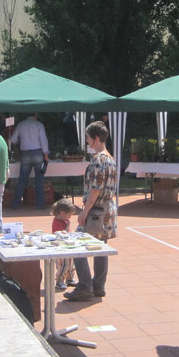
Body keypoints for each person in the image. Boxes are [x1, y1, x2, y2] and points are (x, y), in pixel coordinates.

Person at [64, 121, 118, 301]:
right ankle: (99, 285)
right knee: (101, 247)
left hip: (96, 210)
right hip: (108, 208)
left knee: (78, 246)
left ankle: (85, 285)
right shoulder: (111, 158)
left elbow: (95, 188)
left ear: (95, 139)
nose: (87, 141)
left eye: (88, 138)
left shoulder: (97, 160)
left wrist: (84, 211)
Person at [10, 112, 49, 209]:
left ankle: (16, 203)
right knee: (39, 180)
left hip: (25, 154)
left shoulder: (21, 124)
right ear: (35, 115)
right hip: (38, 153)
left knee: (22, 179)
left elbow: (13, 140)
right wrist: (46, 153)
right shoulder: (39, 125)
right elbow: (43, 141)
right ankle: (40, 204)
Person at [51, 198, 79, 291]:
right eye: (69, 215)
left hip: (68, 246)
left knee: (71, 264)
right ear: (62, 213)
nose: (70, 218)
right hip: (61, 248)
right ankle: (59, 281)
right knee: (63, 265)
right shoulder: (57, 222)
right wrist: (67, 226)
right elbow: (63, 234)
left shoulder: (64, 220)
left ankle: (70, 278)